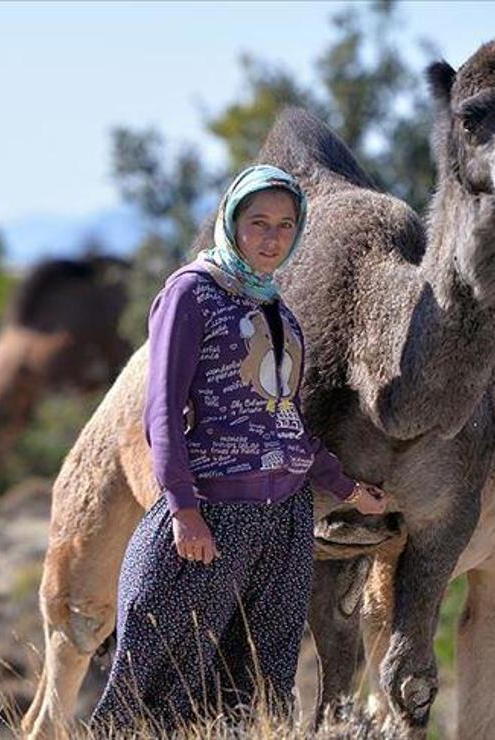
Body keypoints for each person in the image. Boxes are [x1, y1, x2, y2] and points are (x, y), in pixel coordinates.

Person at [90, 165, 388, 733]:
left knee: (256, 687)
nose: (272, 237)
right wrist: (183, 509)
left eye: (285, 225)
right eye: (259, 223)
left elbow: (285, 422)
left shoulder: (281, 310)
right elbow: (161, 413)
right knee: (162, 684)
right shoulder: (190, 293)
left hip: (286, 524)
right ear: (232, 222)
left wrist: (347, 488)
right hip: (213, 517)